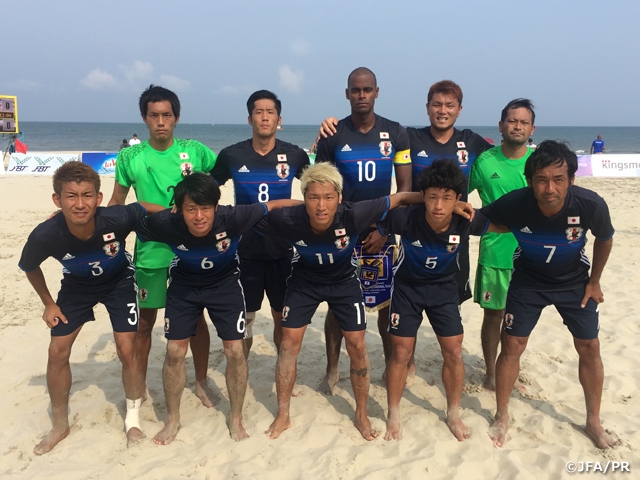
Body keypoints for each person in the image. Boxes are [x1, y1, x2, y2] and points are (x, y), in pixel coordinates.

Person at [254, 162, 427, 441]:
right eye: (313, 197)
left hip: (343, 282)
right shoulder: (289, 218)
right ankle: (283, 414)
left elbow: (402, 198)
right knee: (288, 343)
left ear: (339, 198)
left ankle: (361, 414)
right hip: (304, 282)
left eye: (328, 197)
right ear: (304, 199)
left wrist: (449, 203)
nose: (321, 206)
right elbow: (254, 212)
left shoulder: (355, 213)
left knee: (357, 344)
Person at [135, 173, 302, 444]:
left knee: (235, 350)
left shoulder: (233, 217)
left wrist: (325, 206)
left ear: (216, 207)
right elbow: (134, 212)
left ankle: (235, 418)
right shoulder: (166, 222)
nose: (199, 216)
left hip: (224, 283)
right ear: (179, 210)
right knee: (175, 351)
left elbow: (273, 205)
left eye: (205, 208)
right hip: (185, 284)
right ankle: (173, 420)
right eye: (190, 209)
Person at [18, 162, 163, 454]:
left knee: (127, 347)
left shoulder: (116, 217)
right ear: (57, 200)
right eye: (71, 196)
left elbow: (144, 205)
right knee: (57, 351)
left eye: (87, 195)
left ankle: (132, 420)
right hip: (76, 287)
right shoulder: (46, 234)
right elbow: (30, 266)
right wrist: (49, 304)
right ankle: (60, 425)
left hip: (119, 281)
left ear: (99, 198)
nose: (80, 204)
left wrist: (180, 214)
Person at [481, 140, 617, 449]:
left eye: (558, 179)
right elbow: (481, 219)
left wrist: (594, 281)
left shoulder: (590, 204)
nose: (550, 187)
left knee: (590, 347)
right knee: (512, 343)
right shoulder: (515, 202)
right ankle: (502, 416)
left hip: (574, 282)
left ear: (571, 179)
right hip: (528, 280)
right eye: (542, 179)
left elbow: (605, 238)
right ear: (530, 181)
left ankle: (593, 421)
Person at [379, 159, 506, 442]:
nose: (438, 205)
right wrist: (378, 233)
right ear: (422, 196)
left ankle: (452, 413)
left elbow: (503, 225)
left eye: (447, 198)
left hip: (444, 290)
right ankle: (393, 414)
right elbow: (375, 214)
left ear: (458, 199)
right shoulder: (405, 218)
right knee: (400, 352)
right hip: (407, 289)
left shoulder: (467, 219)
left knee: (454, 351)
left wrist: (539, 225)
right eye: (433, 197)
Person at [108, 85, 218, 408]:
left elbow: (221, 175)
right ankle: (139, 385)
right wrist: (110, 241)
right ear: (144, 118)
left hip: (191, 250)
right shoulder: (130, 156)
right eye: (154, 115)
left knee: (196, 320)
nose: (160, 121)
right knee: (145, 321)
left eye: (166, 115)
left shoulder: (194, 151)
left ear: (176, 117)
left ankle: (199, 382)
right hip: (151, 250)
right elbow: (117, 203)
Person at [314, 67, 413, 394]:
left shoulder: (396, 133)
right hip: (343, 233)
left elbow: (406, 188)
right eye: (355, 90)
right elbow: (323, 188)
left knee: (386, 307)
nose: (361, 95)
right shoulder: (333, 135)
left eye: (367, 90)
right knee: (337, 305)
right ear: (347, 94)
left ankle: (389, 368)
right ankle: (332, 369)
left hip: (383, 231)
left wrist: (385, 229)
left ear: (376, 92)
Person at [211, 90, 309, 358]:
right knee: (246, 320)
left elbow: (316, 190)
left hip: (283, 250)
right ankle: (241, 369)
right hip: (244, 251)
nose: (264, 117)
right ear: (249, 119)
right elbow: (208, 190)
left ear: (279, 119)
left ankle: (282, 368)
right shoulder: (232, 155)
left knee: (281, 318)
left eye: (270, 112)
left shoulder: (295, 155)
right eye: (258, 112)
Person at [468, 98, 536, 391]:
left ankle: (510, 368)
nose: (517, 126)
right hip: (495, 252)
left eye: (523, 122)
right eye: (512, 120)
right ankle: (491, 372)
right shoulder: (483, 163)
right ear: (501, 125)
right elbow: (456, 197)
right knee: (494, 315)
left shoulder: (537, 163)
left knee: (519, 319)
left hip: (531, 255)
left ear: (532, 128)